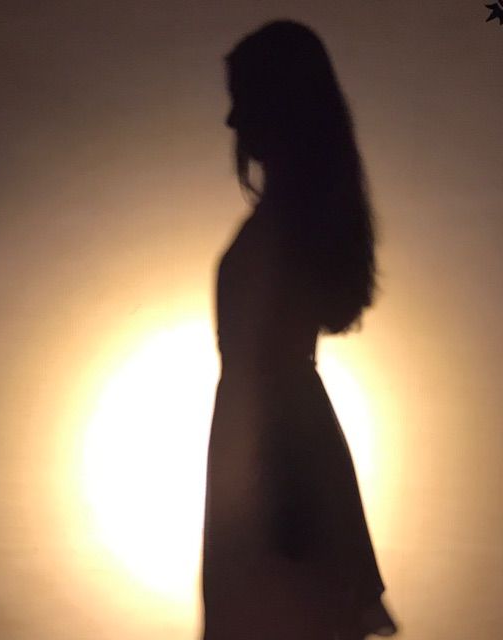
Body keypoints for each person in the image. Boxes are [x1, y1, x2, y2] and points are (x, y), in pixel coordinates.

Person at [201, 20, 399, 640]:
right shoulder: (293, 220)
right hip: (271, 452)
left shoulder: (284, 228)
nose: (232, 121)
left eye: (245, 99)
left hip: (275, 458)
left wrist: (279, 500)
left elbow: (270, 372)